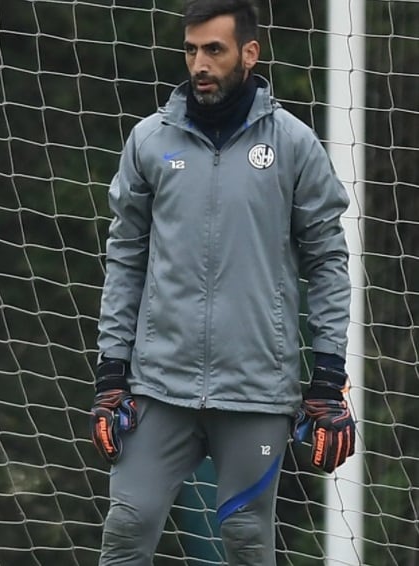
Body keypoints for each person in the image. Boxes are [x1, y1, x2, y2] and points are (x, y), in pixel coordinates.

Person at [88, 1, 356, 564]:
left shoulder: (293, 145)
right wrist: (112, 368)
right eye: (191, 50)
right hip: (159, 386)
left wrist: (328, 375)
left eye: (214, 49)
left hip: (256, 389)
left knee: (244, 540)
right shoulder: (148, 142)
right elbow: (125, 257)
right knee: (126, 529)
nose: (199, 64)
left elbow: (328, 260)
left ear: (249, 53)